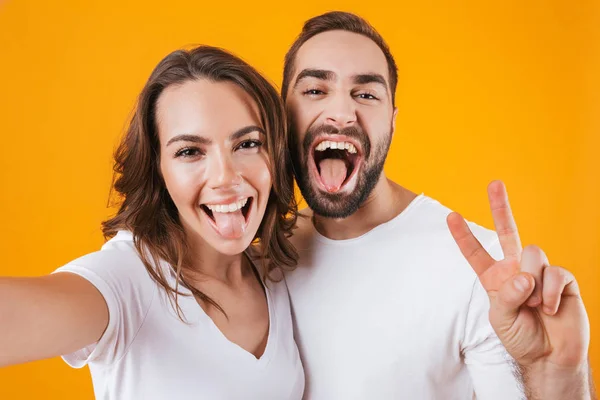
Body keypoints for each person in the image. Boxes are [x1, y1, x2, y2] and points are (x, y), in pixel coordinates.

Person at [281, 11, 594, 399]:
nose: (342, 113)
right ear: (282, 115)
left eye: (366, 94)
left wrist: (557, 376)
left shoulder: (484, 271)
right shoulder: (257, 256)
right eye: (314, 90)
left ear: (392, 122)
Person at [0, 45, 305, 399]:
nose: (225, 176)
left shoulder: (277, 276)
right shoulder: (127, 279)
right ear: (158, 171)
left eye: (248, 143)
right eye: (190, 152)